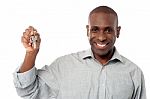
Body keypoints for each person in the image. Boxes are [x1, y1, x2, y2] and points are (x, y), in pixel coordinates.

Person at [13, 6, 147, 99]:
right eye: (95, 29)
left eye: (108, 30)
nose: (101, 37)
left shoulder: (133, 73)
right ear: (87, 30)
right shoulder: (64, 66)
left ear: (117, 31)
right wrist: (31, 53)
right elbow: (28, 91)